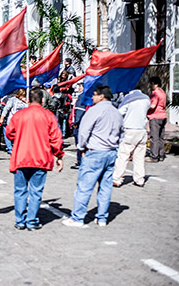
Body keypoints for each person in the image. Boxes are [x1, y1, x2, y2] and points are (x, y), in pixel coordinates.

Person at [63, 86, 123, 227]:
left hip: (95, 151)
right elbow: (122, 133)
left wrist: (81, 147)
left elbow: (84, 131)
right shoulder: (116, 112)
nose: (93, 98)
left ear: (102, 96)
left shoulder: (95, 110)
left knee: (84, 186)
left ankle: (77, 218)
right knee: (105, 187)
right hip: (111, 152)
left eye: (95, 95)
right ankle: (102, 217)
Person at [6, 88, 64, 231]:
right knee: (36, 191)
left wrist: (19, 137)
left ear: (28, 99)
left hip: (21, 157)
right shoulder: (48, 115)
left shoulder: (19, 115)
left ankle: (20, 220)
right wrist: (59, 156)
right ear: (42, 100)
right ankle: (31, 221)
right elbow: (56, 138)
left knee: (20, 191)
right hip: (40, 158)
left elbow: (9, 132)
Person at [112, 87, 151, 187]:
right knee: (139, 156)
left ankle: (117, 178)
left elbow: (120, 112)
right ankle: (139, 179)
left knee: (123, 155)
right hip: (142, 129)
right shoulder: (146, 98)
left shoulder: (129, 98)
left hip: (130, 128)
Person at [0, 89, 28, 154]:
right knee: (8, 134)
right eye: (22, 95)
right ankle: (10, 149)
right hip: (12, 120)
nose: (23, 97)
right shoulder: (12, 100)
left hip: (22, 121)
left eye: (24, 95)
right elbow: (6, 109)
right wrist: (2, 118)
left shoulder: (25, 101)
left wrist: (26, 102)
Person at [146, 77, 167, 162]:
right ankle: (161, 155)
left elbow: (152, 106)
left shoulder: (155, 93)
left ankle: (154, 156)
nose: (150, 85)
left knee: (154, 137)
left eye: (151, 83)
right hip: (163, 116)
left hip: (155, 116)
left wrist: (145, 109)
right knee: (161, 137)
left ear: (156, 84)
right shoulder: (163, 92)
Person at [70, 83, 86, 170]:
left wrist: (76, 122)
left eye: (80, 86)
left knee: (79, 143)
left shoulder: (81, 97)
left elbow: (79, 110)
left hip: (80, 124)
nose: (79, 88)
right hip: (84, 123)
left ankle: (80, 161)